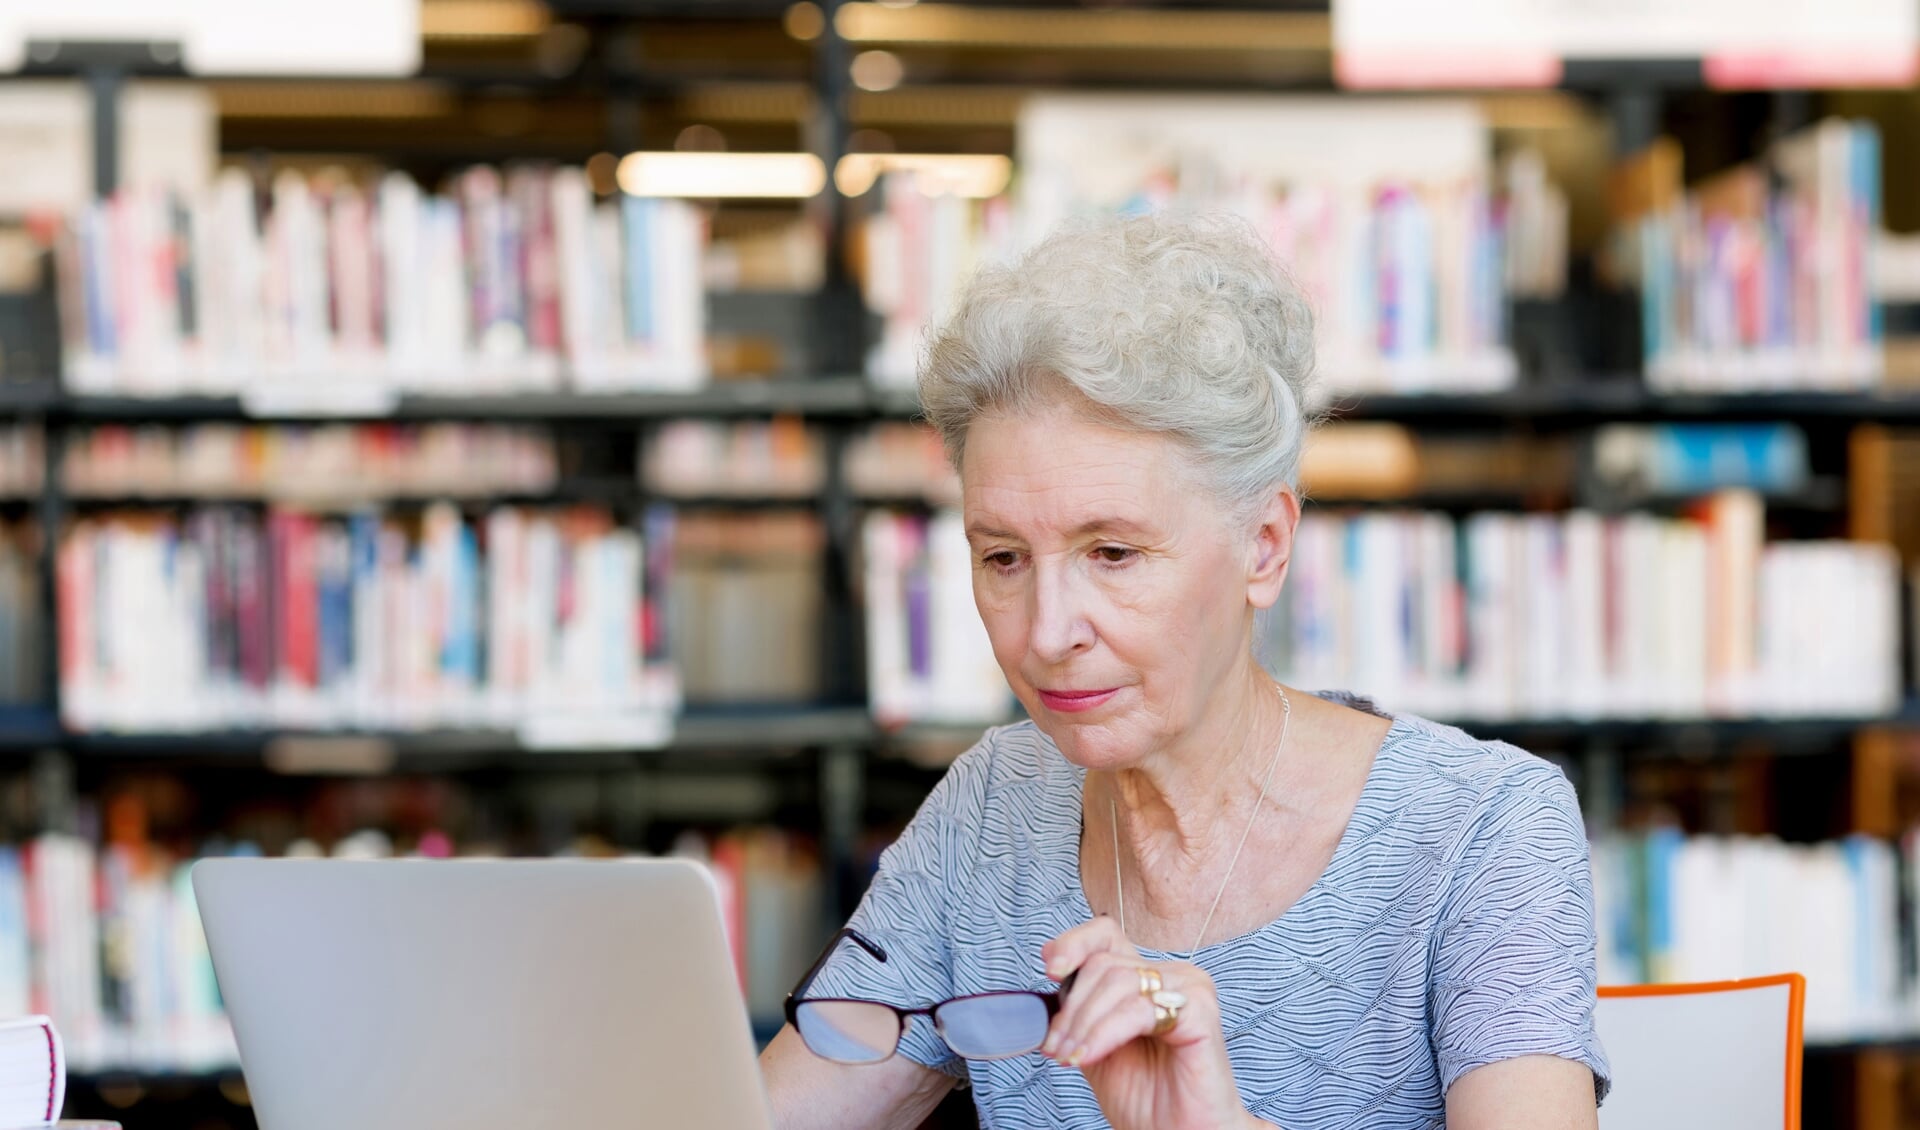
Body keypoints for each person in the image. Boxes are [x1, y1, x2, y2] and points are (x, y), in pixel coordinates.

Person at [760, 211, 1609, 1129]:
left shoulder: (1481, 828)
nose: (1048, 633)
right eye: (1003, 558)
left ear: (1265, 547)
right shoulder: (990, 812)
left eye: (1114, 552)